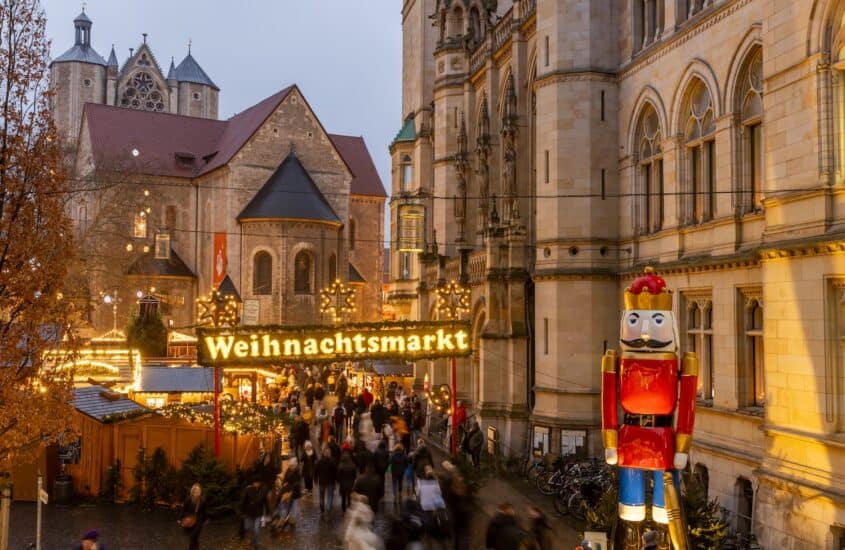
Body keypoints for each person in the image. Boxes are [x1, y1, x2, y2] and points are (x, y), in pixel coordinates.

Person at [180, 483, 207, 550]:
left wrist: (204, 521)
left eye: (199, 491)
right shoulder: (188, 500)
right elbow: (183, 510)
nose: (197, 492)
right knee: (195, 538)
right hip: (190, 521)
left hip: (199, 522)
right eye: (196, 491)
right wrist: (182, 519)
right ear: (193, 491)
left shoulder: (202, 500)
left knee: (193, 536)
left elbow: (204, 512)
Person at [277, 457, 303, 529]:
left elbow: (297, 483)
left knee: (294, 509)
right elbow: (285, 479)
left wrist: (289, 485)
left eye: (292, 465)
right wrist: (284, 483)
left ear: (295, 465)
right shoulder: (288, 470)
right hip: (287, 493)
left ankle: (292, 523)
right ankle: (285, 521)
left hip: (295, 494)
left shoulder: (297, 472)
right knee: (285, 508)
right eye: (290, 465)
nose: (291, 467)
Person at [240, 477, 266, 549]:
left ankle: (256, 544)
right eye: (256, 482)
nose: (257, 484)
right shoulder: (248, 489)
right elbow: (243, 501)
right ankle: (252, 541)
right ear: (253, 482)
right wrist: (242, 512)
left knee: (257, 529)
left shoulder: (262, 490)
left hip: (258, 513)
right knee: (249, 528)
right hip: (249, 513)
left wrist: (267, 512)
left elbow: (265, 501)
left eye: (258, 482)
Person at [315, 445, 337, 513]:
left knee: (321, 496)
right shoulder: (332, 461)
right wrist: (336, 480)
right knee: (330, 495)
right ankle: (328, 508)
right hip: (330, 482)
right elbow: (335, 471)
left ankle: (322, 508)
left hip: (322, 482)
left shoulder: (319, 461)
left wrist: (315, 480)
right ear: (329, 453)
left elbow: (315, 471)